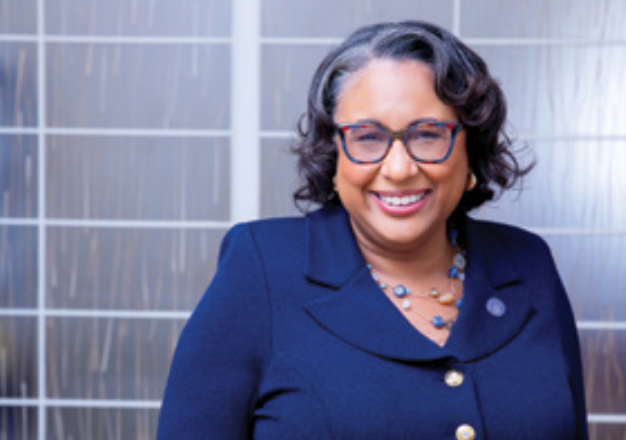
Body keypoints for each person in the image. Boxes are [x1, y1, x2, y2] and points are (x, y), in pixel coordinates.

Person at [157, 21, 588, 440]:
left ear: (470, 148)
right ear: (333, 153)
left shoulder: (528, 264)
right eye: (367, 137)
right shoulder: (260, 268)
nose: (399, 169)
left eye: (428, 134)